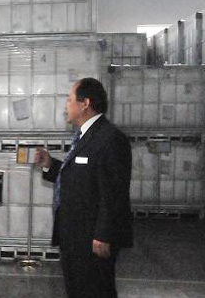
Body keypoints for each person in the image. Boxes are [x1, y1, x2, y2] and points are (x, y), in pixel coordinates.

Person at [34, 78, 133, 298]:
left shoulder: (110, 139)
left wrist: (104, 235)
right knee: (77, 289)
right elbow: (80, 176)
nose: (66, 106)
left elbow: (114, 192)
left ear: (85, 103)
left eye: (69, 99)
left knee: (96, 291)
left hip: (93, 238)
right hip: (75, 235)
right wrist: (50, 164)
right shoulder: (85, 135)